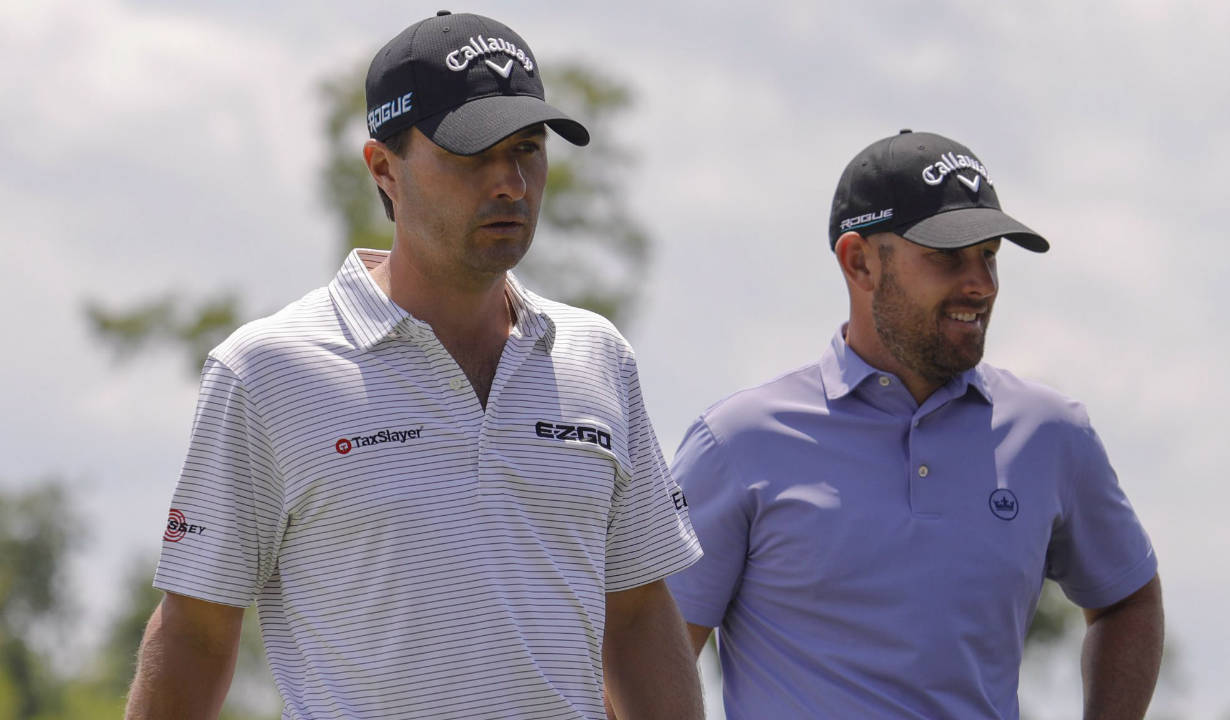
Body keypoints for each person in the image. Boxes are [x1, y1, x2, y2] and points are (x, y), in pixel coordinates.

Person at [125, 12, 703, 720]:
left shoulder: (598, 356)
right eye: (472, 153)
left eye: (527, 149)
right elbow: (196, 630)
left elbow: (638, 609)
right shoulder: (266, 371)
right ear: (383, 169)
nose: (511, 183)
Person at [665, 129, 1163, 719]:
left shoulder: (1052, 434)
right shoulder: (737, 443)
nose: (981, 284)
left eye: (989, 255)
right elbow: (638, 653)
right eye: (948, 257)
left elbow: (1127, 601)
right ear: (859, 262)